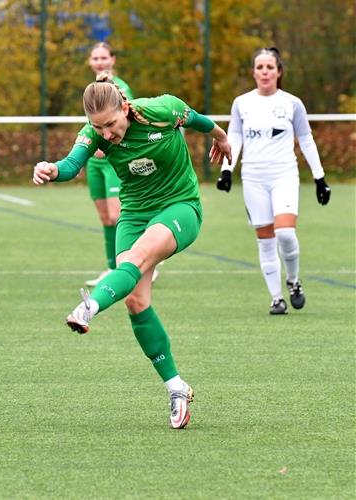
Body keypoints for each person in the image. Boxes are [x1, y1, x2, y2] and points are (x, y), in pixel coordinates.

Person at [32, 73, 232, 429]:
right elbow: (72, 164)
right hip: (135, 214)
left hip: (179, 206)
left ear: (125, 107)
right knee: (136, 301)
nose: (105, 134)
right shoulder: (94, 132)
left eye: (110, 124)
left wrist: (220, 136)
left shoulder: (162, 110)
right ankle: (176, 388)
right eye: (99, 127)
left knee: (137, 260)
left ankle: (89, 305)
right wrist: (51, 168)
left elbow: (197, 119)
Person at [216, 47, 331, 315]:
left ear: (279, 72)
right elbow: (235, 137)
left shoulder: (292, 103)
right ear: (253, 72)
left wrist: (319, 177)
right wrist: (226, 170)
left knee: (286, 234)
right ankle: (276, 298)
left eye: (270, 67)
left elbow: (306, 139)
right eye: (260, 67)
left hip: (284, 175)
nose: (265, 72)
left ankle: (293, 281)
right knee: (266, 241)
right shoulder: (242, 103)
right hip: (253, 178)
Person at [83, 42, 142, 287]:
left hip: (112, 162)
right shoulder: (92, 90)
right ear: (90, 61)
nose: (99, 62)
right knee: (106, 218)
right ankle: (111, 268)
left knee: (119, 216)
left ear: (113, 60)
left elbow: (128, 125)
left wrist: (108, 146)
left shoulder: (120, 88)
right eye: (95, 58)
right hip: (95, 163)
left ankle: (139, 261)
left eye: (104, 57)